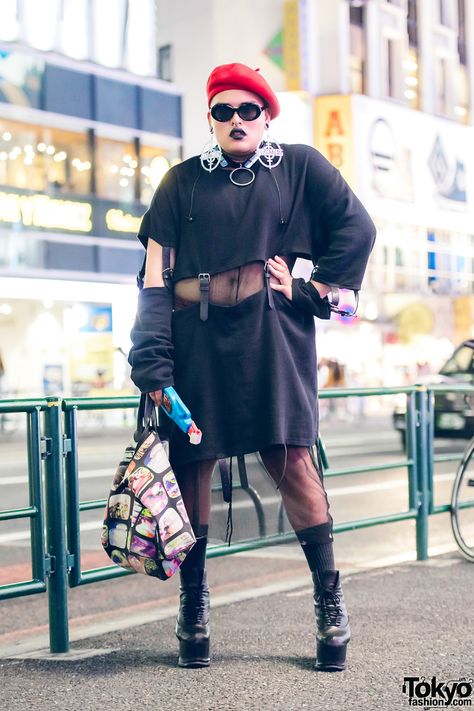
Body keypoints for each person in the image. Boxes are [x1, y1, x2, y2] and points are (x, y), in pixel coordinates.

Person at [128, 62, 376, 671]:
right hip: (196, 344)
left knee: (291, 459)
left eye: (248, 110)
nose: (236, 120)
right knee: (192, 466)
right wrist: (153, 367)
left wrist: (309, 290)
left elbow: (359, 229)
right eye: (223, 111)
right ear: (209, 119)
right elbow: (155, 284)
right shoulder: (178, 183)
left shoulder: (300, 166)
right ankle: (193, 613)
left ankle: (330, 607)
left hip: (273, 336)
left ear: (267, 115)